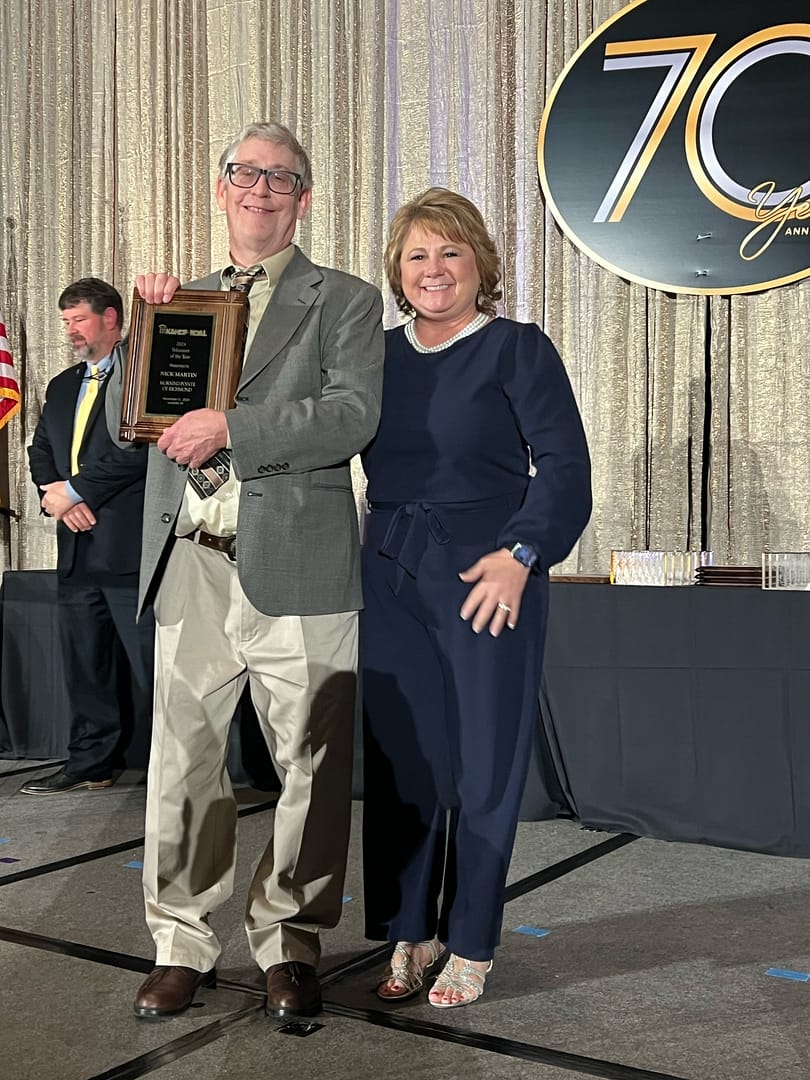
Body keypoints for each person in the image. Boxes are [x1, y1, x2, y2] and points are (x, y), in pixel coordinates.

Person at [131, 121, 384, 1021]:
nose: (260, 189)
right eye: (245, 173)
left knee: (312, 767)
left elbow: (352, 416)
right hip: (192, 563)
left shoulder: (345, 301)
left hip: (302, 566)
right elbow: (148, 417)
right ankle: (182, 943)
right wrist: (145, 325)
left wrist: (237, 429)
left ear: (304, 199)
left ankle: (289, 943)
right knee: (185, 766)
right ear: (221, 186)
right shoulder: (180, 299)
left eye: (281, 179)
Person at [361, 188, 591, 1008]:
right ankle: (409, 926)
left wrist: (522, 553)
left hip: (487, 573)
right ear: (397, 269)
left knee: (486, 762)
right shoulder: (374, 353)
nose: (434, 269)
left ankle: (471, 941)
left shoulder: (517, 349)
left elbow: (565, 465)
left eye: (450, 252)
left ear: (479, 264)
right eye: (417, 254)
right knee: (402, 757)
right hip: (387, 572)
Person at [22, 278, 154, 796]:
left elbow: (138, 450)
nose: (71, 331)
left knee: (149, 665)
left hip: (127, 547)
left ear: (111, 318)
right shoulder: (61, 384)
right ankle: (91, 763)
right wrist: (55, 495)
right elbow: (40, 451)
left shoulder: (142, 376)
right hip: (76, 550)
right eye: (66, 321)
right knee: (85, 664)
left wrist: (76, 493)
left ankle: (172, 768)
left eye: (79, 320)